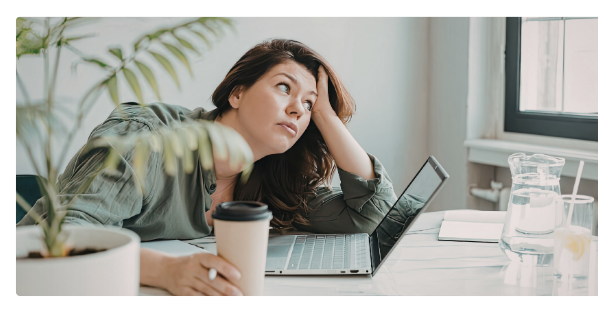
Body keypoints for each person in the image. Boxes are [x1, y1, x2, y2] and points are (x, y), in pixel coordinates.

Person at [17, 39, 398, 297]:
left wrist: (328, 117)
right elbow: (62, 238)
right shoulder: (147, 141)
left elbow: (370, 215)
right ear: (237, 93)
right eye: (285, 87)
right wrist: (167, 272)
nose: (299, 109)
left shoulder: (273, 180)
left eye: (309, 104)